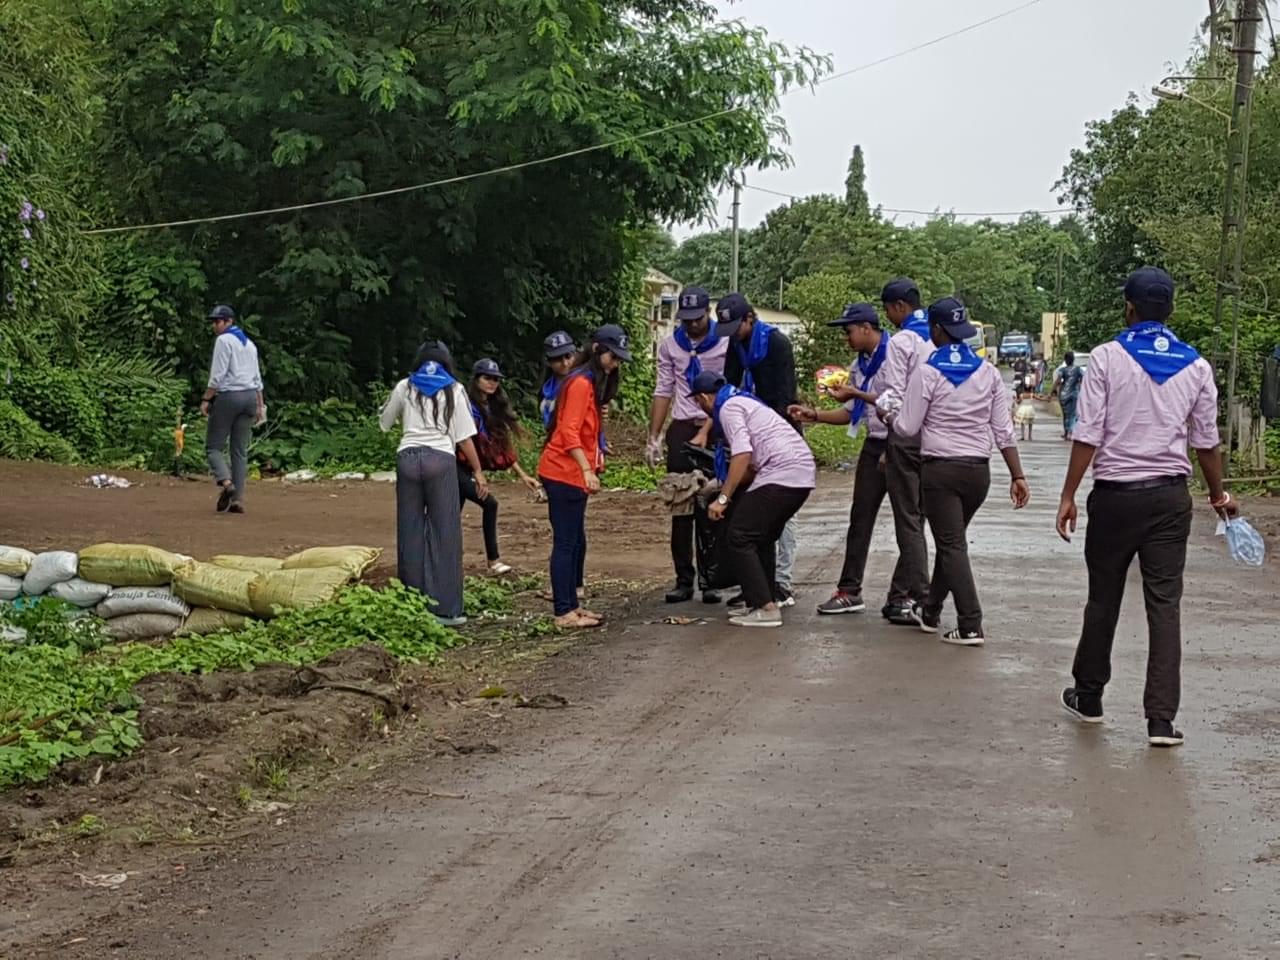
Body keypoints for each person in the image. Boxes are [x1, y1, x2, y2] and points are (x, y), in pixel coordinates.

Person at [1057, 267, 1234, 748]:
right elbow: (1206, 442)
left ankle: (1089, 696)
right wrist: (1218, 495)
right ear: (1170, 310)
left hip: (1116, 498)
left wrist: (1069, 493)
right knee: (1164, 606)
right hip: (1169, 499)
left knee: (1104, 598)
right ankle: (1160, 720)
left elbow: (1087, 431)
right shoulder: (1196, 366)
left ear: (1129, 308)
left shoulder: (1107, 359)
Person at [893, 297, 1030, 646]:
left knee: (951, 544)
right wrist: (1017, 475)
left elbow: (908, 427)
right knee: (950, 542)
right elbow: (1003, 430)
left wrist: (887, 415)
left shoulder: (927, 372)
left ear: (937, 331)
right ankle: (931, 609)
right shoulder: (988, 373)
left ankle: (971, 623)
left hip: (941, 472)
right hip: (977, 474)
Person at [787, 303, 902, 616]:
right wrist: (817, 415)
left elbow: (900, 401)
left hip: (901, 445)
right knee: (860, 518)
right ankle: (849, 590)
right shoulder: (859, 365)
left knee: (909, 523)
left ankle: (905, 594)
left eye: (849, 331)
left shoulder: (896, 356)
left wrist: (855, 394)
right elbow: (853, 413)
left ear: (867, 327)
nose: (846, 338)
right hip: (873, 444)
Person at [690, 371, 815, 628]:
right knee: (762, 536)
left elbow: (742, 455)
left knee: (739, 535)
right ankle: (764, 600)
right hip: (800, 474)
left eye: (698, 403)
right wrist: (722, 487)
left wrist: (722, 499)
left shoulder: (729, 409)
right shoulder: (745, 401)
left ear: (704, 397)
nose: (701, 410)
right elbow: (749, 467)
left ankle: (765, 608)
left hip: (782, 473)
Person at [380, 341, 486, 627]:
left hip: (407, 458)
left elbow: (385, 422)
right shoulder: (455, 389)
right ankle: (446, 609)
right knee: (444, 532)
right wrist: (477, 471)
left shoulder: (405, 385)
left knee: (410, 530)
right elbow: (464, 438)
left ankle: (411, 605)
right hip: (440, 460)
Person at [707, 293, 800, 609]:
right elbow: (728, 386)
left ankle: (781, 583)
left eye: (736, 326)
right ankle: (755, 586)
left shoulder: (777, 345)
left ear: (750, 318)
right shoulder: (737, 344)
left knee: (778, 515)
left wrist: (763, 443)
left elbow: (784, 397)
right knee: (750, 512)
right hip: (747, 429)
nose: (732, 334)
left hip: (777, 433)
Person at [538, 325, 631, 629]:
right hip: (563, 472)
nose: (615, 363)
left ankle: (573, 606)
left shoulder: (588, 381)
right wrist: (586, 468)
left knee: (575, 540)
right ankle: (563, 611)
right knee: (566, 542)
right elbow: (567, 431)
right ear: (596, 350)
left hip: (571, 473)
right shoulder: (580, 383)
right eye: (612, 356)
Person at [646, 286, 730, 604]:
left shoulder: (724, 343)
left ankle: (712, 579)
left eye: (696, 319)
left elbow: (727, 389)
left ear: (707, 314)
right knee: (680, 505)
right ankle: (684, 579)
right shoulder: (671, 346)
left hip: (716, 425)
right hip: (682, 427)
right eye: (686, 320)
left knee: (711, 502)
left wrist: (709, 427)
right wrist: (654, 436)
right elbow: (663, 389)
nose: (691, 326)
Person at [874, 278, 934, 626]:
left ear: (898, 307)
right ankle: (899, 595)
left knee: (907, 522)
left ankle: (923, 597)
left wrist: (885, 413)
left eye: (888, 309)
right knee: (921, 518)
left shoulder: (902, 341)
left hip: (908, 435)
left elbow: (895, 394)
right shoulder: (940, 334)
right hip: (938, 438)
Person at [462, 359, 542, 575]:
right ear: (476, 379)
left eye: (495, 379)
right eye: (487, 378)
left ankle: (441, 558)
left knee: (452, 512)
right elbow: (464, 441)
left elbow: (500, 448)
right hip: (454, 465)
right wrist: (478, 473)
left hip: (468, 469)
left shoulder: (492, 408)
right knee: (489, 504)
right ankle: (493, 561)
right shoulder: (466, 406)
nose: (492, 383)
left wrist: (523, 475)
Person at [201, 304, 264, 514]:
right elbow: (257, 379)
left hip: (230, 396)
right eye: (213, 322)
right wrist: (259, 405)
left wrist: (206, 398)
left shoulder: (224, 341)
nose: (215, 326)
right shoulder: (250, 344)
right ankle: (237, 500)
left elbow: (217, 375)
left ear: (229, 322)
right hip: (249, 397)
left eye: (218, 321)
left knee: (213, 447)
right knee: (239, 451)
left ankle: (227, 484)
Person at [539, 331, 578, 428]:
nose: (565, 363)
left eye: (568, 356)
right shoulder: (546, 389)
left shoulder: (583, 383)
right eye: (558, 359)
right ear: (549, 362)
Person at [1051, 351, 1084, 439]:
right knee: (1073, 413)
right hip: (1075, 394)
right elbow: (1084, 379)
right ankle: (1070, 432)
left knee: (1065, 414)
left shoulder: (1062, 370)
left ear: (1065, 360)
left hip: (1064, 395)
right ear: (1073, 359)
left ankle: (1066, 432)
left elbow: (1057, 381)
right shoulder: (1078, 369)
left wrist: (1051, 391)